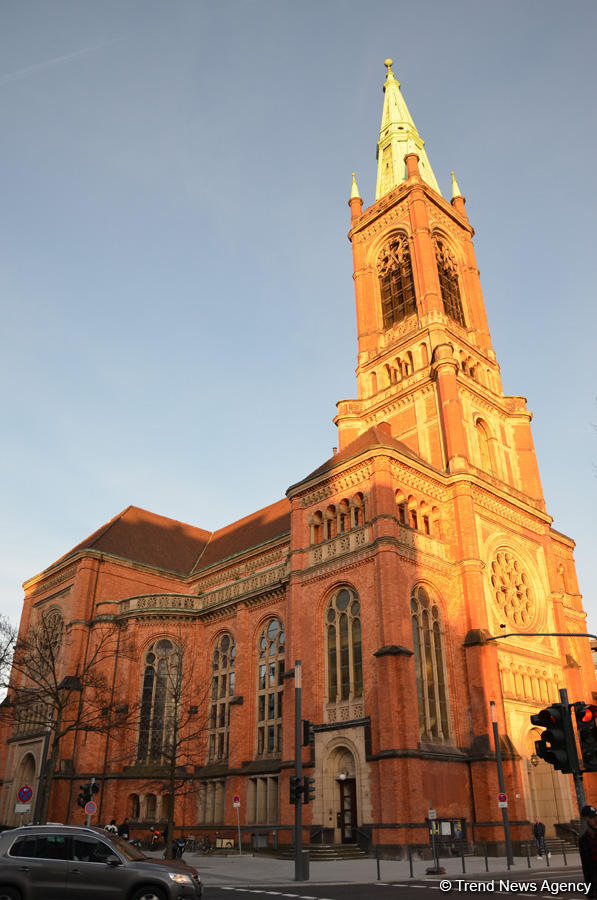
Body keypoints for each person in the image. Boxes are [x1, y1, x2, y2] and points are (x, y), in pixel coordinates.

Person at [579, 805, 597, 897]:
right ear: (585, 819)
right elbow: (586, 867)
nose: (595, 820)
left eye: (596, 816)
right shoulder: (583, 840)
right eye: (592, 818)